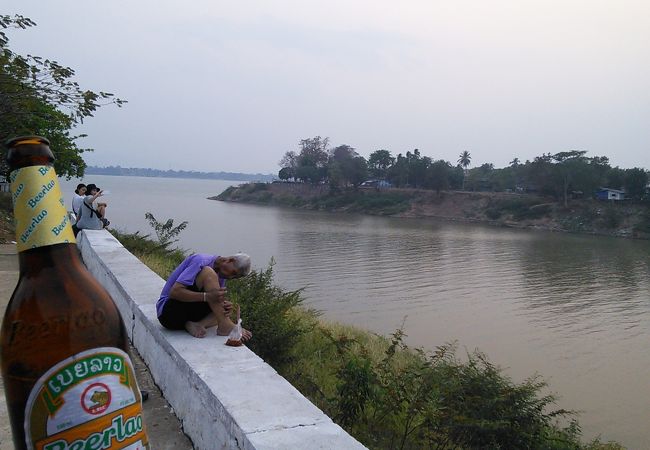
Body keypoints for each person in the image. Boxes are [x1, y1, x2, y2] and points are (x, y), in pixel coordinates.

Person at [157, 253, 253, 339]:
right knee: (208, 272)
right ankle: (225, 326)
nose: (231, 277)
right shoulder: (201, 260)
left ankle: (197, 324)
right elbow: (174, 292)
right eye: (233, 273)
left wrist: (224, 305)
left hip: (187, 317)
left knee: (227, 308)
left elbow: (214, 301)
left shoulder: (221, 275)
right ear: (230, 260)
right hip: (169, 313)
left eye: (235, 277)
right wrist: (207, 296)